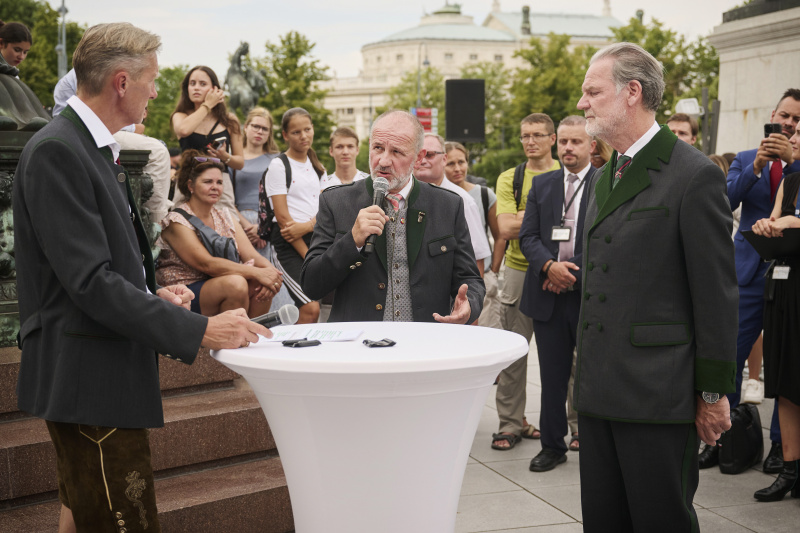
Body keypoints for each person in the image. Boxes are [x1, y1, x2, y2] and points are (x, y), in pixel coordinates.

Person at [12, 22, 268, 533]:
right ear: (122, 83)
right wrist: (201, 328)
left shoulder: (84, 146)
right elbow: (89, 283)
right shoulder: (59, 150)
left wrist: (152, 291)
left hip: (97, 374)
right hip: (89, 379)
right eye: (152, 78)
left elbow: (95, 268)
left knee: (83, 515)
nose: (158, 89)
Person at [575, 42, 737, 531]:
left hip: (656, 395)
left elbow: (716, 295)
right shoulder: (604, 176)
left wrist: (712, 394)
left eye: (592, 91)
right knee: (604, 520)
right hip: (599, 390)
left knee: (660, 520)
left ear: (632, 92)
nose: (583, 103)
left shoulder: (694, 175)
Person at [300, 109, 485, 324]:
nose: (384, 161)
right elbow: (311, 285)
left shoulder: (447, 205)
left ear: (418, 158)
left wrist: (470, 304)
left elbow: (470, 278)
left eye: (397, 152)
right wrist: (352, 242)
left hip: (424, 342)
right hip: (358, 345)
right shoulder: (336, 201)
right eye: (378, 148)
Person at [722, 88, 800, 474]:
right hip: (749, 273)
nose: (787, 124)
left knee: (784, 360)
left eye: (795, 120)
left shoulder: (798, 164)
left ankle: (781, 447)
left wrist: (791, 163)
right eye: (783, 116)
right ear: (772, 116)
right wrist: (757, 168)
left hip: (790, 275)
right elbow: (725, 200)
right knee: (730, 354)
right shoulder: (745, 159)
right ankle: (727, 435)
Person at [518, 115, 598, 471]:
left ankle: (597, 442)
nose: (567, 148)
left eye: (575, 142)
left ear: (591, 144)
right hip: (547, 295)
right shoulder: (543, 185)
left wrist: (571, 274)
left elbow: (605, 240)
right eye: (563, 141)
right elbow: (528, 237)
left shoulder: (605, 182)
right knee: (551, 377)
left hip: (589, 296)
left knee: (592, 375)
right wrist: (550, 267)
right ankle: (552, 446)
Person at [492, 113, 561, 450]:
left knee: (570, 357)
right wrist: (544, 221)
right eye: (524, 136)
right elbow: (504, 228)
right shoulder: (511, 177)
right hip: (519, 270)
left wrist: (526, 221)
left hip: (562, 273)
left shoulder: (568, 173)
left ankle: (576, 428)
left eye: (537, 135)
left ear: (552, 138)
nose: (530, 141)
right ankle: (510, 424)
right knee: (514, 353)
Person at [157, 149, 283, 318]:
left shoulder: (226, 215)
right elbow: (206, 264)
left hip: (219, 283)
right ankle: (229, 339)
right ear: (190, 186)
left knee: (261, 283)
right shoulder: (176, 221)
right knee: (237, 283)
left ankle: (251, 335)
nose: (215, 187)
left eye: (219, 182)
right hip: (183, 293)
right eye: (208, 182)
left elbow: (252, 255)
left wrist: (272, 275)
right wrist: (258, 273)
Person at [751, 128, 800, 502]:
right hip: (783, 284)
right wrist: (766, 225)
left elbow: (788, 222)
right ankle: (789, 470)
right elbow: (773, 220)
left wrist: (790, 222)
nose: (794, 136)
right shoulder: (792, 180)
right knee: (783, 378)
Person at [265, 107, 326, 324]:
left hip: (314, 238)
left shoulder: (318, 167)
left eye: (307, 129)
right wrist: (310, 257)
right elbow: (284, 221)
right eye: (296, 132)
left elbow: (324, 212)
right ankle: (290, 350)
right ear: (285, 135)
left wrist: (309, 226)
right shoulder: (278, 165)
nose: (303, 136)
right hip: (290, 246)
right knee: (310, 309)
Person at [444, 141, 505, 329]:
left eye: (461, 162)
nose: (457, 168)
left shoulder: (485, 195)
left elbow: (499, 235)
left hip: (482, 277)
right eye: (451, 164)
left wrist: (492, 271)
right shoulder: (439, 196)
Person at [414, 134, 492, 275]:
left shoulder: (462, 200)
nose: (422, 161)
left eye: (429, 155)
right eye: (418, 155)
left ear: (444, 159)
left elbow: (477, 259)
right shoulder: (401, 196)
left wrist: (471, 296)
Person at [171, 66, 243, 214]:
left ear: (214, 89)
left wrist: (225, 157)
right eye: (192, 83)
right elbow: (184, 130)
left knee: (226, 226)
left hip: (218, 182)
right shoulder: (180, 115)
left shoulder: (230, 121)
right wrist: (208, 105)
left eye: (202, 84)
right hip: (188, 180)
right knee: (184, 224)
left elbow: (240, 163)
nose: (196, 88)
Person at [234, 106, 280, 254]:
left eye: (265, 129)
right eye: (255, 126)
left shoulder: (277, 160)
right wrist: (245, 225)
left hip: (269, 222)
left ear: (269, 133)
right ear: (246, 127)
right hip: (238, 222)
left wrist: (263, 228)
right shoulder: (233, 159)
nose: (260, 131)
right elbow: (225, 197)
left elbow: (281, 198)